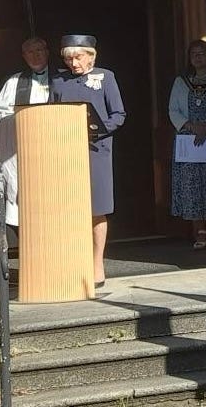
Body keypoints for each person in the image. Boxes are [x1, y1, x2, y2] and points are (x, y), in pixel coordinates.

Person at [49, 34, 126, 288]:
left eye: (78, 57)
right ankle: (73, 264)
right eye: (68, 58)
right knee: (71, 209)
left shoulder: (106, 77)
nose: (73, 63)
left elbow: (119, 114)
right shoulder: (59, 81)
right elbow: (51, 113)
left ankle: (96, 265)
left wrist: (98, 129)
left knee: (97, 209)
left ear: (91, 56)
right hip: (67, 151)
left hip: (96, 150)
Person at [168, 39, 206, 250]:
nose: (197, 57)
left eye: (201, 53)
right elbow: (173, 110)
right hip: (189, 140)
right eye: (193, 53)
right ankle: (199, 231)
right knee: (192, 186)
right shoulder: (181, 82)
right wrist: (191, 126)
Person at [0, 37, 51, 232]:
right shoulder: (15, 82)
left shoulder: (61, 79)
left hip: (53, 147)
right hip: (24, 149)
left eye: (39, 50)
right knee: (27, 194)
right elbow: (0, 114)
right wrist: (20, 121)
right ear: (24, 57)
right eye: (30, 52)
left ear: (47, 52)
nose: (35, 55)